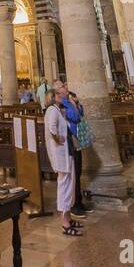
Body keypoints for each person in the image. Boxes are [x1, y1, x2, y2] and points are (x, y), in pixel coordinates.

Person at [44, 87, 81, 236]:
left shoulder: (57, 110)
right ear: (54, 96)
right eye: (59, 94)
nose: (62, 95)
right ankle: (65, 223)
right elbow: (52, 128)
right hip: (61, 153)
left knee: (69, 184)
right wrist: (57, 138)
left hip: (67, 151)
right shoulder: (52, 110)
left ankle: (68, 217)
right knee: (64, 186)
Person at [54, 79, 89, 216]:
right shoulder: (62, 104)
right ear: (58, 91)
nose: (66, 86)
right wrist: (71, 103)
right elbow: (74, 117)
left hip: (76, 139)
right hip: (69, 142)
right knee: (73, 173)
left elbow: (80, 114)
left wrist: (77, 103)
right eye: (63, 86)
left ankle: (79, 201)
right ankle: (74, 205)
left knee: (78, 172)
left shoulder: (68, 101)